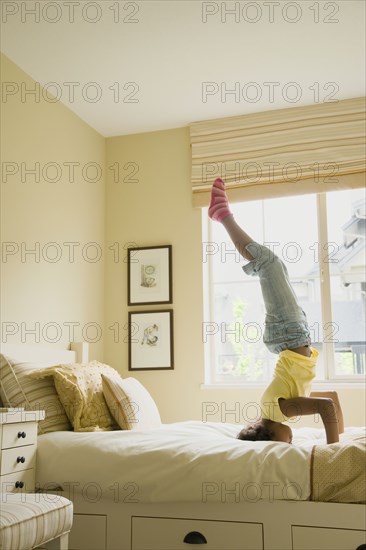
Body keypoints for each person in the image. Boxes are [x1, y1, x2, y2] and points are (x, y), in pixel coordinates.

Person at [208, 178, 344, 444]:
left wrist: (333, 451)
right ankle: (222, 215)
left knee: (268, 264)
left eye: (285, 443)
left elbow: (326, 407)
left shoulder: (279, 411)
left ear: (268, 436)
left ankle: (222, 215)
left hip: (288, 335)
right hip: (293, 335)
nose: (290, 440)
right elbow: (332, 399)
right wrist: (342, 436)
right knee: (276, 267)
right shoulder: (282, 411)